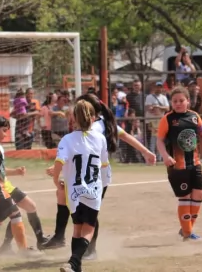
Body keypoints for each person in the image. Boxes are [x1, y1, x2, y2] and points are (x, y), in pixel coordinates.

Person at [42, 94, 156, 259]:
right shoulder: (103, 121)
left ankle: (89, 249)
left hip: (91, 176)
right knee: (63, 197)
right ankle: (60, 237)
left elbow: (84, 151)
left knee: (87, 210)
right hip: (93, 174)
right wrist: (145, 152)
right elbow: (124, 135)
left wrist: (57, 166)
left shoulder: (94, 128)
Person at [0, 115, 50, 254]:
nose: (6, 134)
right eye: (4, 130)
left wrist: (16, 172)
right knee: (14, 213)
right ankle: (24, 250)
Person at [52, 99, 109, 272]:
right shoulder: (100, 138)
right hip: (93, 189)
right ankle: (74, 262)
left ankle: (76, 266)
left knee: (77, 227)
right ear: (93, 118)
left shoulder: (67, 140)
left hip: (74, 190)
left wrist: (56, 181)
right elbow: (104, 165)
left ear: (73, 118)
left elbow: (59, 163)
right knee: (89, 228)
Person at [156, 86, 202, 241]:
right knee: (185, 197)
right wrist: (164, 156)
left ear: (188, 101)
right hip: (177, 166)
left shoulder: (194, 116)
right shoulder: (167, 119)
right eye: (175, 101)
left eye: (181, 100)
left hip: (195, 163)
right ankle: (188, 233)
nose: (178, 103)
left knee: (199, 195)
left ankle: (186, 230)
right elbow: (160, 140)